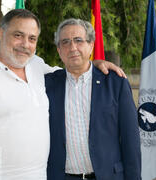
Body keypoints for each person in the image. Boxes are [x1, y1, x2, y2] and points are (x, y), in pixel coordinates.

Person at [0, 9, 126, 180]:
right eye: (18, 35)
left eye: (32, 38)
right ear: (1, 34)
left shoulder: (36, 66)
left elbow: (71, 72)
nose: (25, 44)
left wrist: (94, 64)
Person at [45, 18, 141, 180]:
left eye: (78, 40)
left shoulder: (115, 83)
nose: (72, 47)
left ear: (91, 45)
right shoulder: (47, 85)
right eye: (65, 42)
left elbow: (130, 139)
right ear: (59, 50)